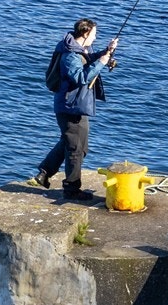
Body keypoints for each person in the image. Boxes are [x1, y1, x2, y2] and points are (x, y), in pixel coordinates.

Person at [33, 18, 118, 201]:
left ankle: (45, 172)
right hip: (69, 107)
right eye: (94, 35)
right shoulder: (69, 55)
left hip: (77, 106)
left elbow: (87, 59)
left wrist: (106, 52)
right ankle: (71, 189)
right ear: (85, 33)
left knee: (76, 144)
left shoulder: (79, 49)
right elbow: (80, 78)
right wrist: (102, 62)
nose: (95, 38)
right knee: (74, 148)